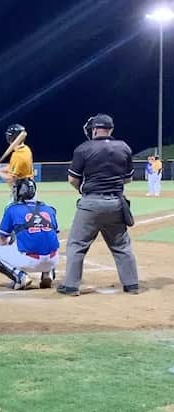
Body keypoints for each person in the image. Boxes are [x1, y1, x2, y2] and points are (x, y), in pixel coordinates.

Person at [58, 114, 139, 296]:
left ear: (94, 130)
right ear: (110, 129)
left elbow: (72, 179)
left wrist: (83, 190)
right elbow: (128, 179)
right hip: (116, 203)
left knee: (77, 244)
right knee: (121, 246)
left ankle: (71, 286)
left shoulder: (83, 149)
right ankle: (132, 284)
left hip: (91, 203)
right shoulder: (123, 147)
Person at [0, 178, 59, 290]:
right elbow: (54, 235)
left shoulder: (12, 209)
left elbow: (1, 240)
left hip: (29, 261)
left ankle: (20, 277)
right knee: (45, 239)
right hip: (52, 261)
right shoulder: (49, 209)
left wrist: (11, 240)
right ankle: (48, 274)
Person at [0, 124, 34, 192]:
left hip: (22, 194)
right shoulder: (26, 149)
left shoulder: (18, 155)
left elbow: (11, 178)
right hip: (28, 190)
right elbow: (14, 167)